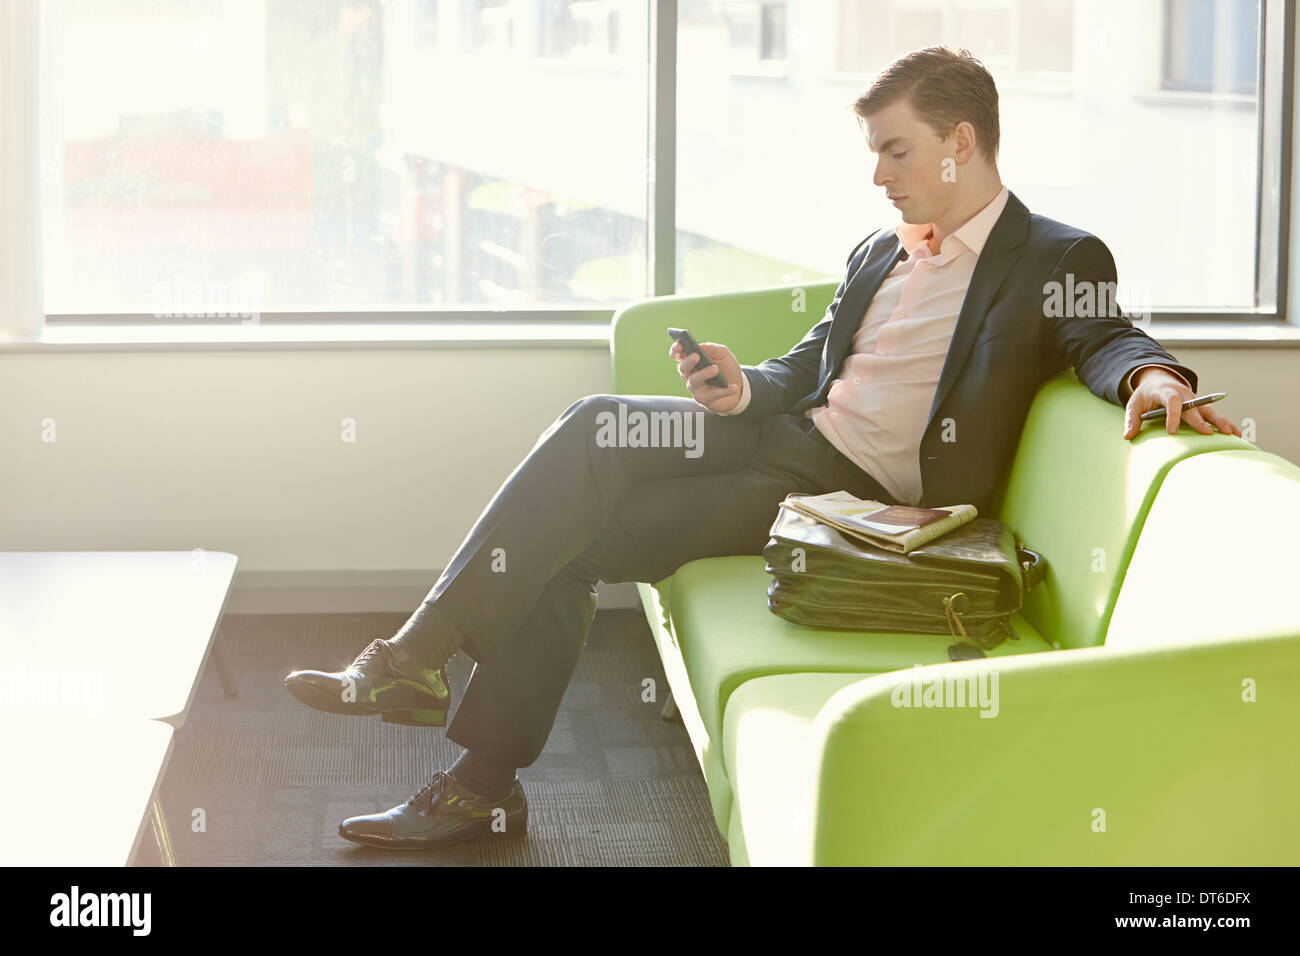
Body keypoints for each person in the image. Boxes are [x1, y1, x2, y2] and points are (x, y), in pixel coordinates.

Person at [284, 46, 1242, 850]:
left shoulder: (1053, 257)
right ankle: (418, 658)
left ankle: (473, 770)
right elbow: (816, 360)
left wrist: (1155, 379)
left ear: (962, 142)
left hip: (838, 492)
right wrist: (744, 387)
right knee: (592, 425)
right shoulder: (884, 246)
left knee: (573, 545)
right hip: (779, 431)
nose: (879, 174)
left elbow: (1104, 333)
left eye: (895, 150)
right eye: (875, 154)